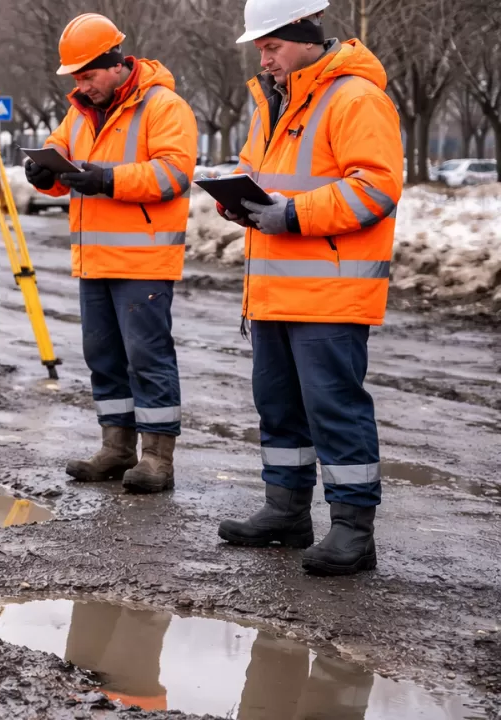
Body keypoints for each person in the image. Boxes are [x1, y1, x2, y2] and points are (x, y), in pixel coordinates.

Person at [214, 0, 402, 576]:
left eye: (269, 46)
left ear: (302, 36)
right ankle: (286, 512)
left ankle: (352, 531)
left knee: (335, 411)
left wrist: (290, 215)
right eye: (260, 49)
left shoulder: (355, 98)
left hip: (330, 293)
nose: (263, 58)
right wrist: (238, 198)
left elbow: (375, 189)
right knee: (280, 410)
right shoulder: (273, 102)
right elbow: (260, 173)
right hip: (273, 290)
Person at [24, 13, 198, 493]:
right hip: (95, 261)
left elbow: (173, 175)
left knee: (148, 358)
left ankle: (157, 459)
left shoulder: (164, 107)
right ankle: (116, 448)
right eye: (77, 77)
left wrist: (108, 179)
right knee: (103, 356)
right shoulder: (80, 110)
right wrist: (43, 172)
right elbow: (58, 153)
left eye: (89, 74)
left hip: (143, 261)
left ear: (117, 63)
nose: (84, 85)